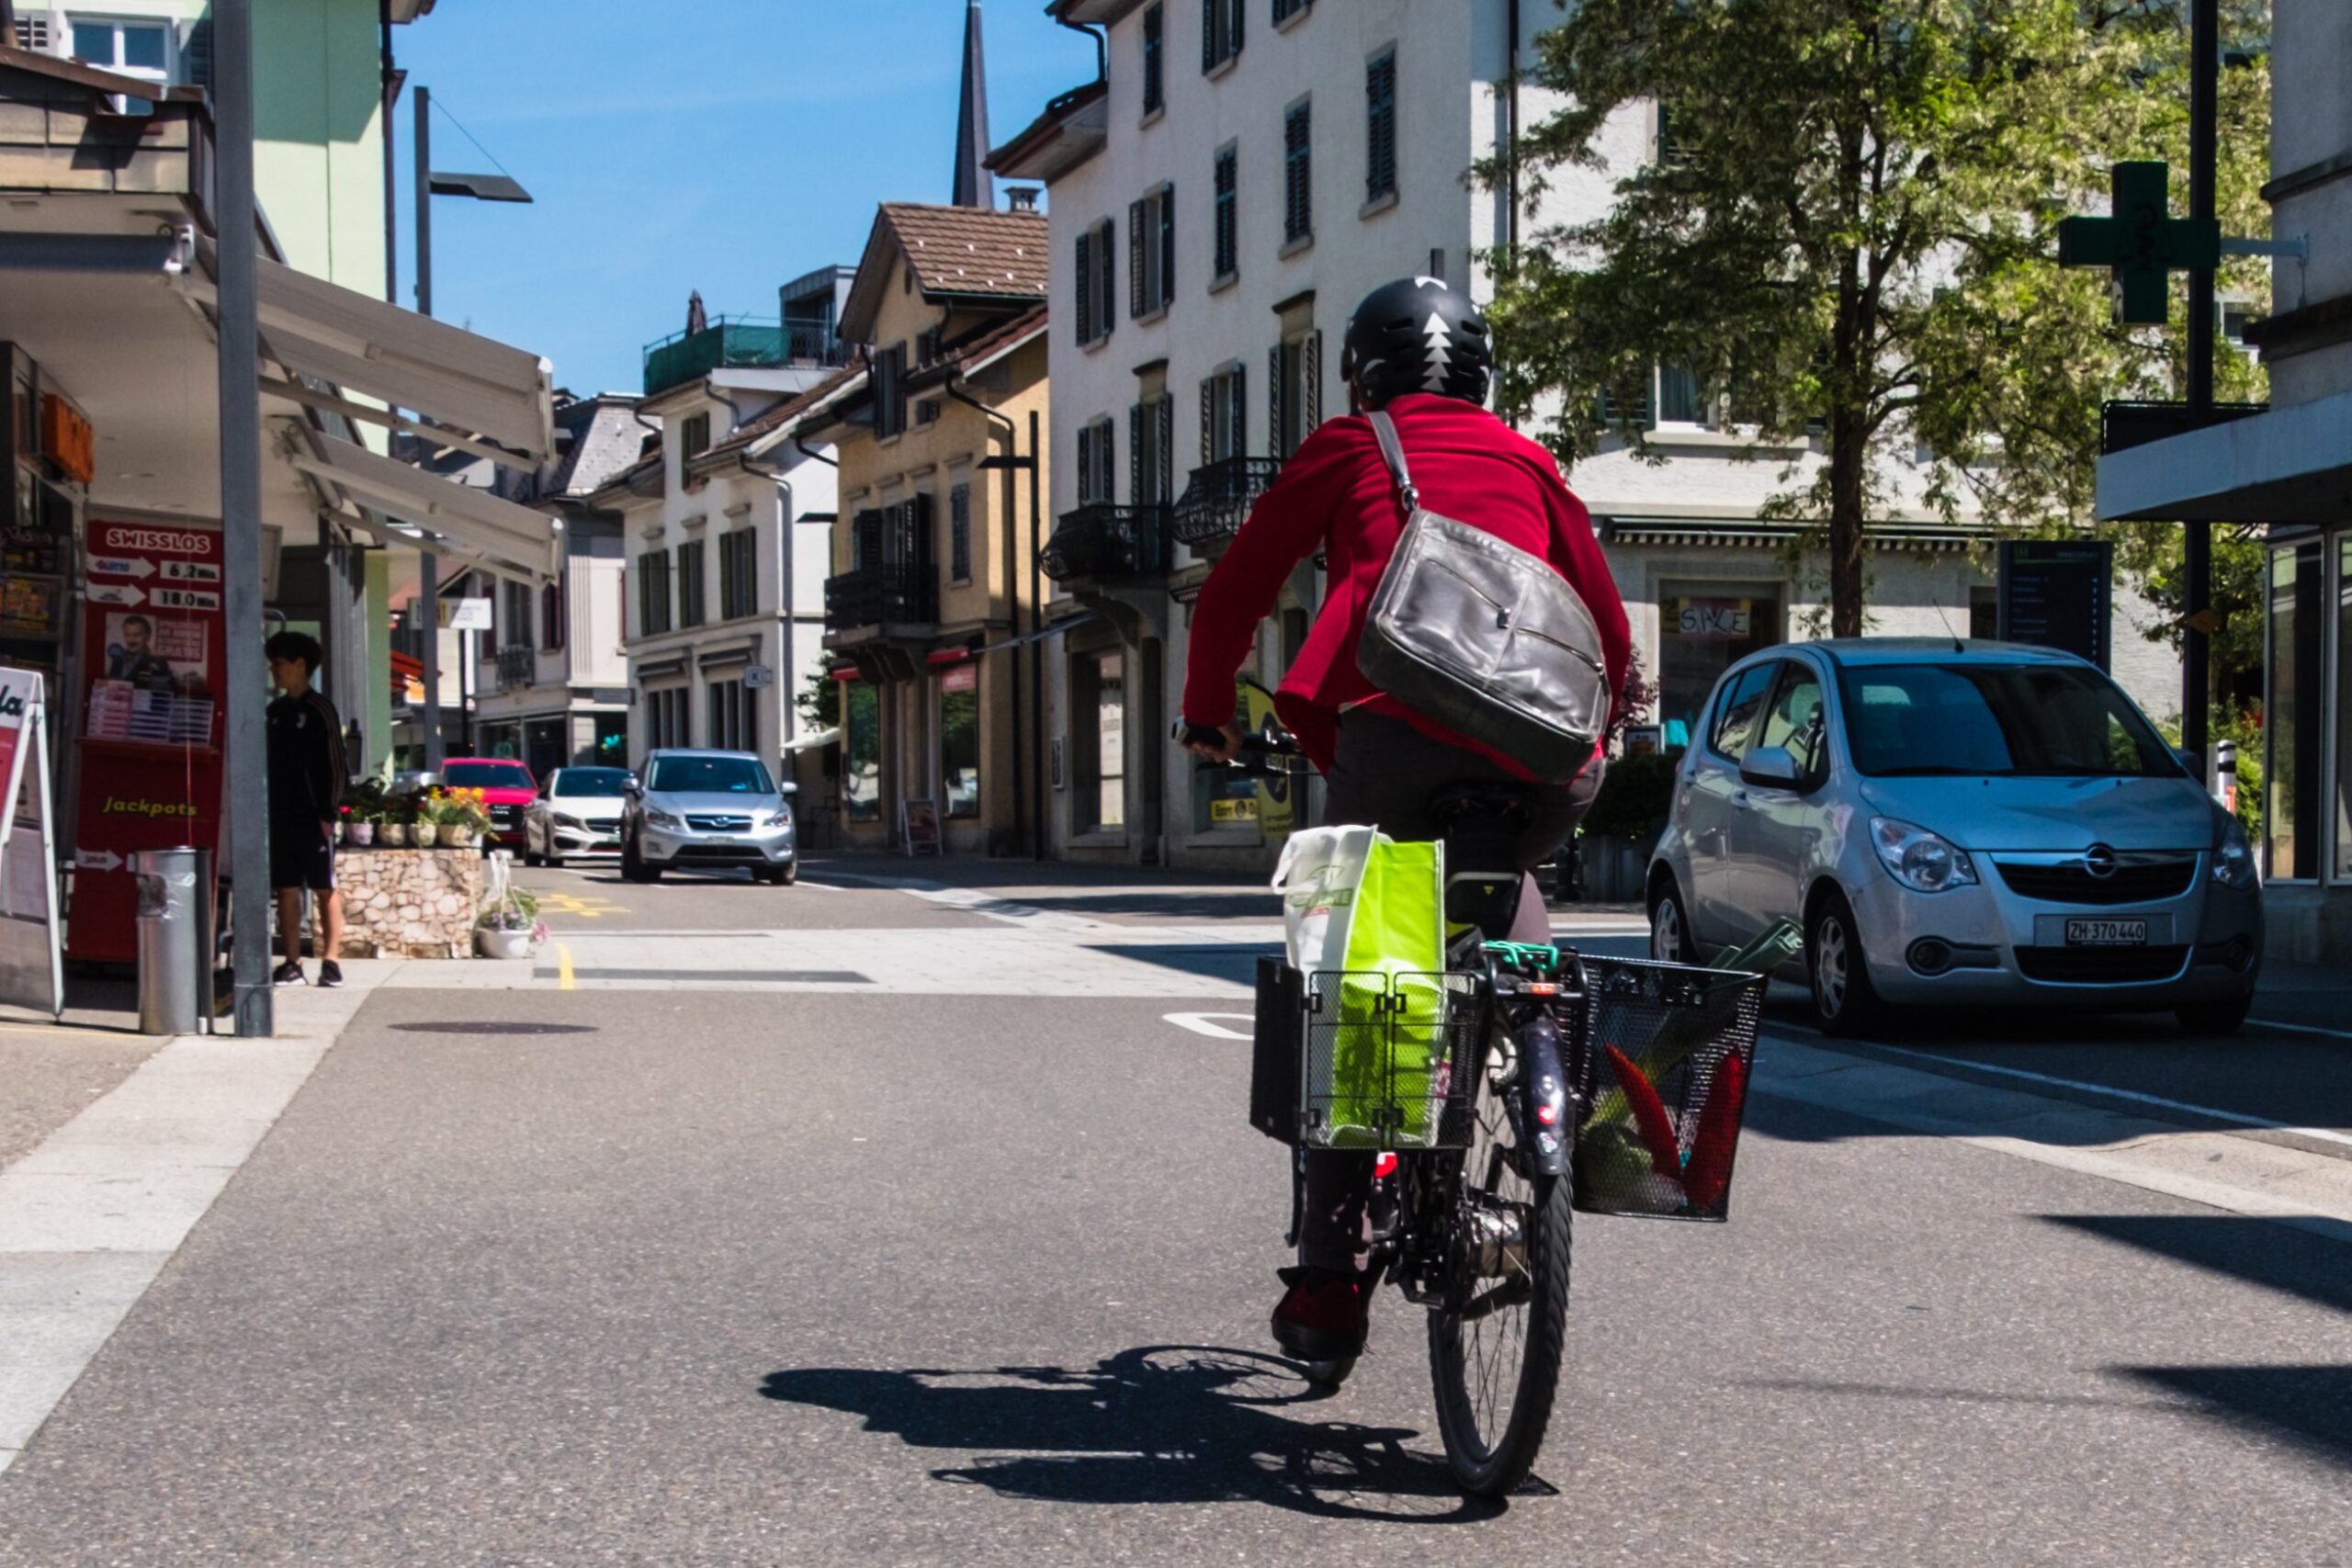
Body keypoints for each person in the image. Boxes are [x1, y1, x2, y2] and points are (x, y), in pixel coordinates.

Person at [1179, 276, 1632, 1368]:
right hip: (1538, 755)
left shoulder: (1346, 447)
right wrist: (1606, 731)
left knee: (1365, 982)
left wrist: (1205, 716)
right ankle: (1543, 1095)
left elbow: (1237, 587)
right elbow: (1605, 621)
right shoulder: (1528, 459)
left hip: (1391, 743)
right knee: (1521, 940)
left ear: (1361, 371)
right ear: (1480, 378)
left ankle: (1331, 1282)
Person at [265, 630, 349, 988]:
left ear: (300, 666)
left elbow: (335, 763)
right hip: (281, 812)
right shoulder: (274, 712)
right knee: (285, 887)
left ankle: (330, 962)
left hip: (315, 815)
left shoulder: (321, 709)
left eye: (279, 664)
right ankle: (292, 963)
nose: (274, 671)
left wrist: (328, 812)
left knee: (324, 886)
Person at [105, 615, 176, 693]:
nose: (131, 640)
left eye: (137, 635)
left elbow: (168, 689)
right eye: (127, 635)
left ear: (148, 636)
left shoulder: (156, 660)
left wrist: (157, 660)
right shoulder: (118, 659)